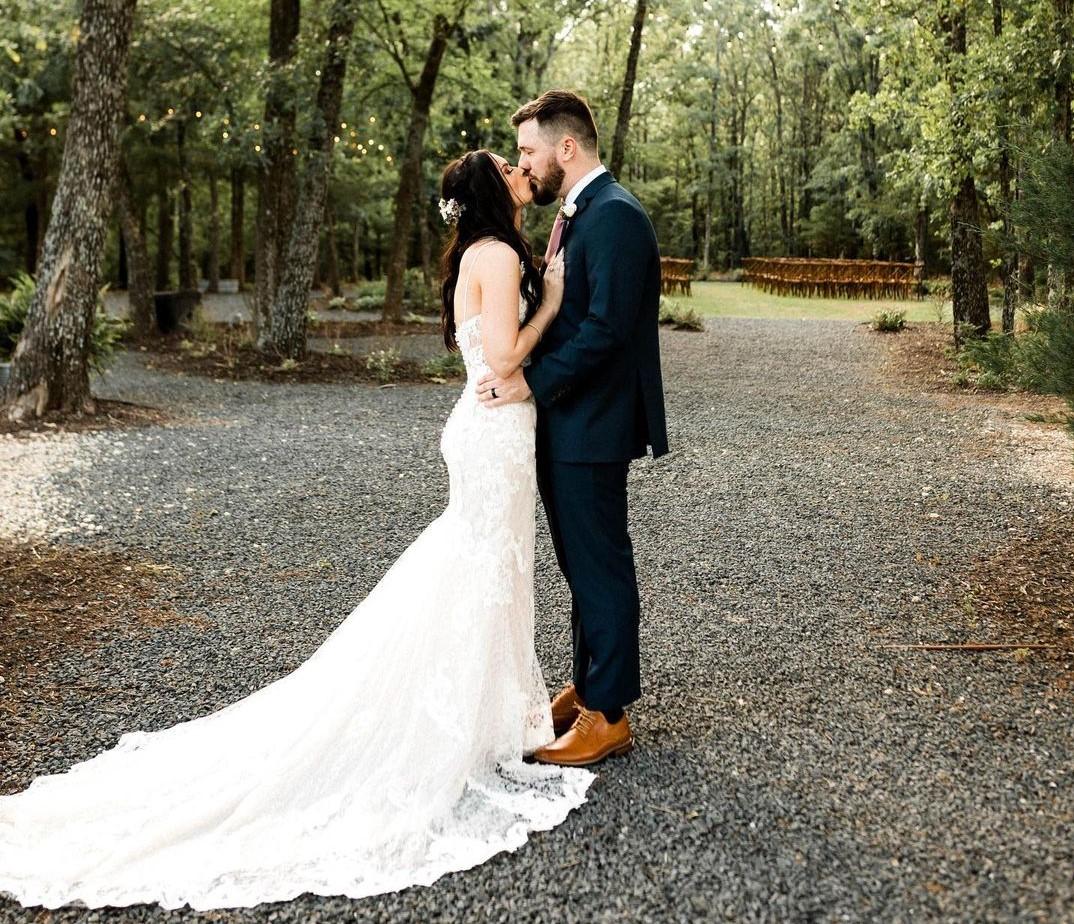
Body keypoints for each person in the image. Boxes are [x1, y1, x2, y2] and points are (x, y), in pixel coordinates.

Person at [0, 149, 593, 912]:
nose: (521, 175)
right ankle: (461, 729)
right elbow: (506, 356)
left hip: (485, 431)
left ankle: (490, 716)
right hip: (494, 433)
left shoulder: (480, 253)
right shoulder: (498, 256)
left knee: (487, 571)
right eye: (509, 170)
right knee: (483, 572)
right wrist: (553, 301)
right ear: (490, 191)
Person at [476, 90, 669, 767]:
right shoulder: (579, 210)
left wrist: (529, 381)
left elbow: (606, 330)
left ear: (566, 146)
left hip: (594, 422)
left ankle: (608, 714)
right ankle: (589, 685)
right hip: (569, 420)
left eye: (528, 150)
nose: (524, 164)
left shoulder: (614, 215)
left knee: (600, 565)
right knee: (579, 564)